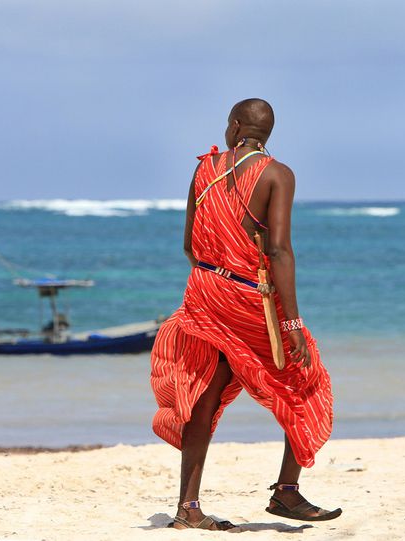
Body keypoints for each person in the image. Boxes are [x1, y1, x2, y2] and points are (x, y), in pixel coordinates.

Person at [150, 99, 341, 530]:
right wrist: (290, 322)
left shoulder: (204, 169)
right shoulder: (277, 174)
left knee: (205, 393)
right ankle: (287, 492)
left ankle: (188, 509)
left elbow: (188, 244)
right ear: (266, 132)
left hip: (203, 291)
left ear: (235, 126)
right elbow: (277, 250)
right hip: (247, 296)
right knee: (307, 381)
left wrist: (215, 276)